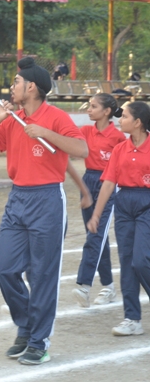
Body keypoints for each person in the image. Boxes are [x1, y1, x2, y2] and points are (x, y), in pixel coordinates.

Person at [0, 57, 88, 365]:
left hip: (48, 199)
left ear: (32, 87)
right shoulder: (12, 119)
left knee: (42, 274)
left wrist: (45, 133)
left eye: (17, 82)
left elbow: (81, 150)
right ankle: (26, 326)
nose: (12, 87)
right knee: (5, 270)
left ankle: (38, 341)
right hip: (18, 199)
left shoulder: (56, 117)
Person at [87, 101, 150, 337]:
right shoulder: (120, 149)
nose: (119, 119)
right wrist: (96, 215)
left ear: (138, 122)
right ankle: (132, 319)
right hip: (124, 205)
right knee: (126, 263)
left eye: (123, 116)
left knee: (141, 260)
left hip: (147, 203)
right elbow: (109, 184)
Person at [69, 93, 126, 308]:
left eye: (93, 106)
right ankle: (109, 286)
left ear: (107, 111)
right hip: (88, 182)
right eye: (88, 105)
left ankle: (84, 285)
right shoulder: (84, 132)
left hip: (108, 184)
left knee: (96, 235)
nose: (88, 109)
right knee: (96, 237)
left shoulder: (118, 138)